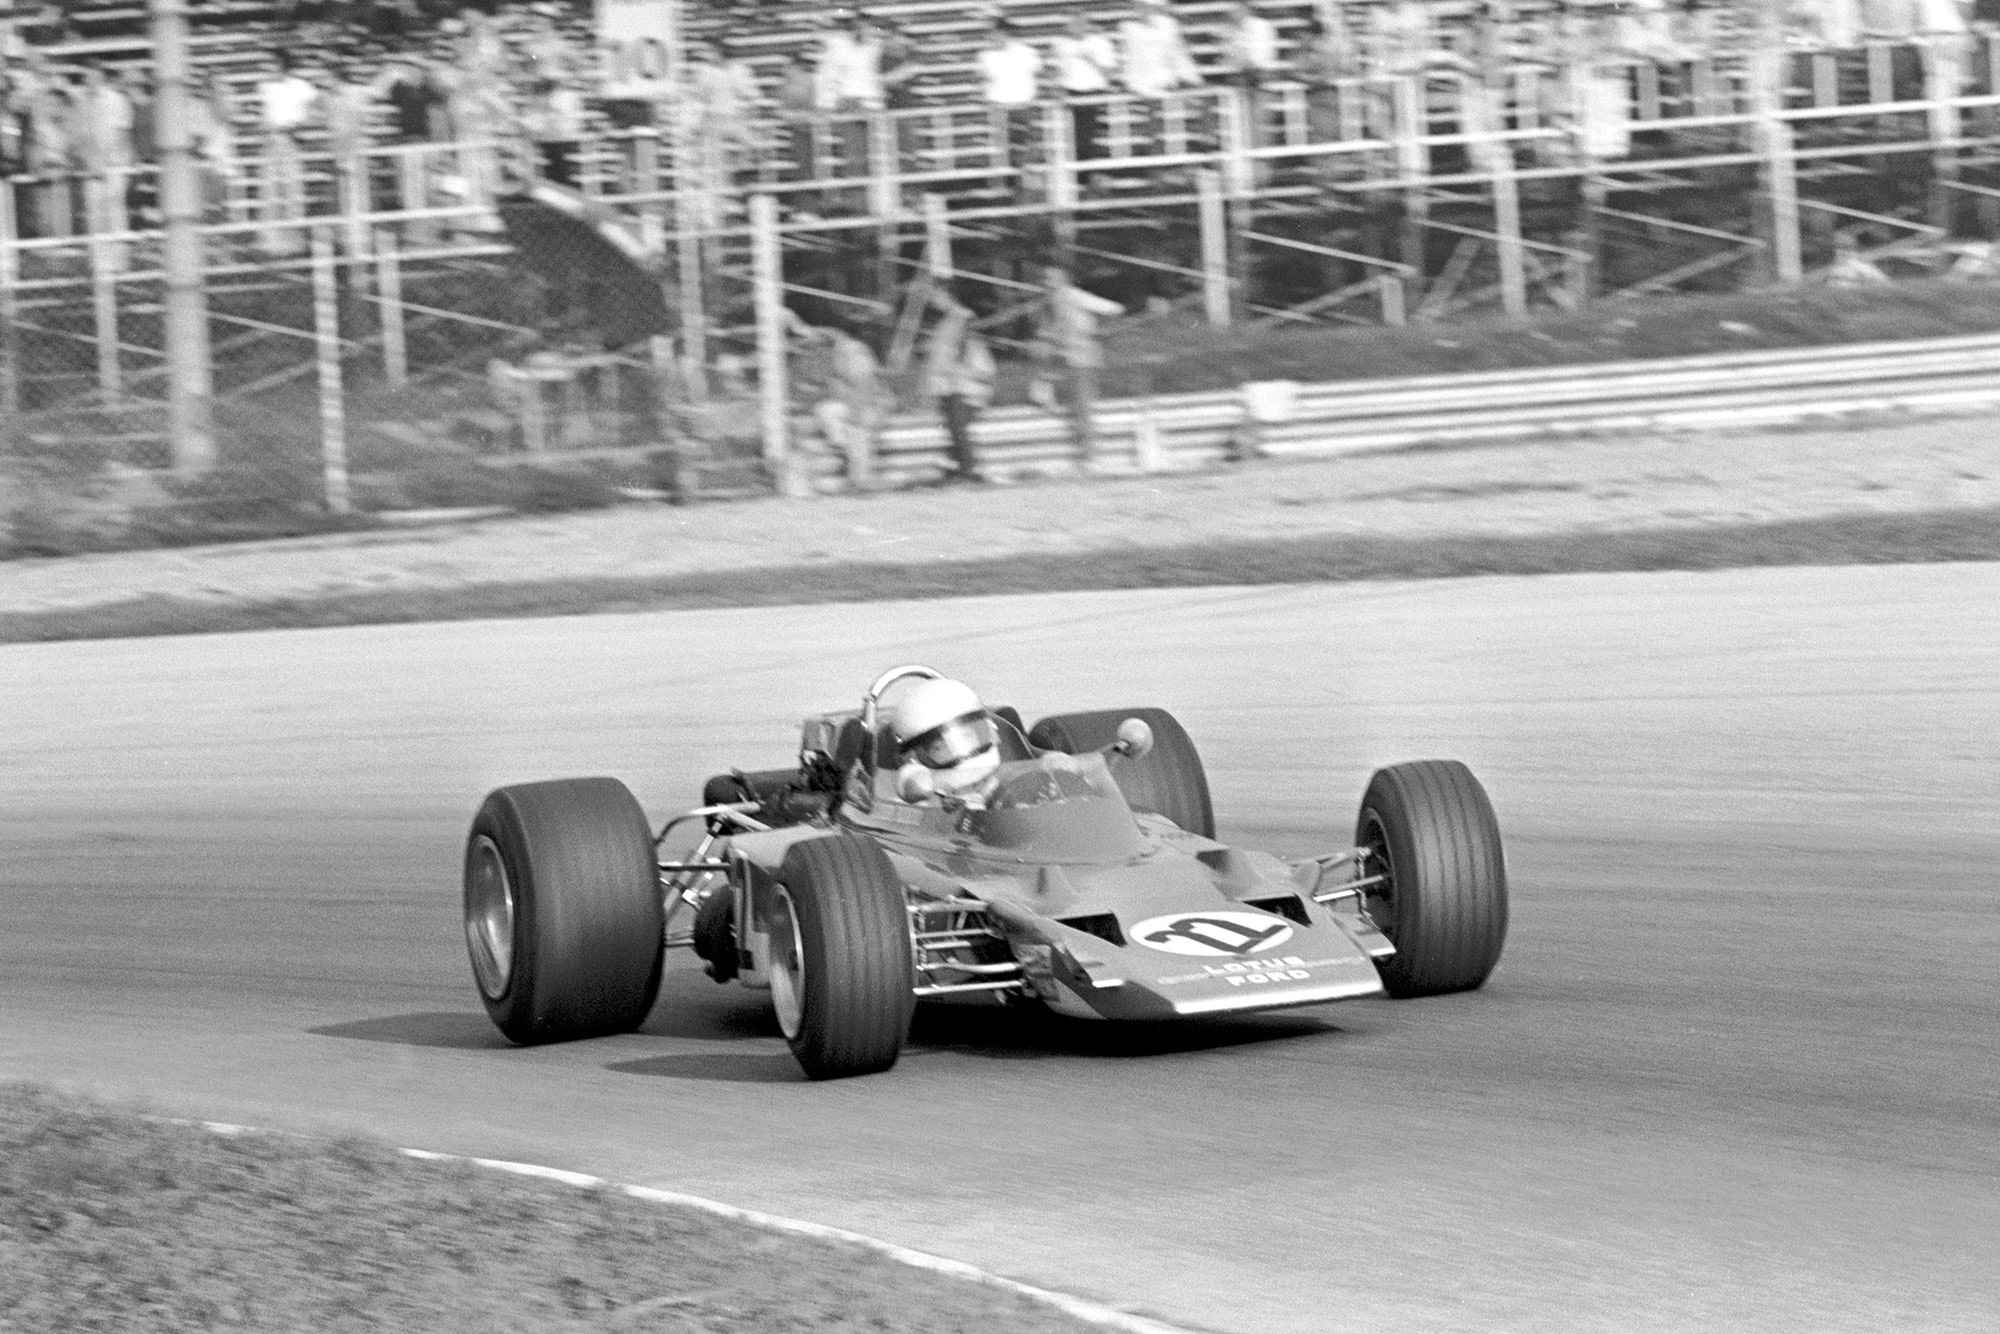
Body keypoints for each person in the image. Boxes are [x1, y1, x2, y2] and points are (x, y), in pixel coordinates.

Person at [1038, 265, 1125, 470]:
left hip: (1082, 360)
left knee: (1082, 407)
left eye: (1050, 278)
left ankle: (1090, 458)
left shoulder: (1074, 296)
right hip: (1066, 359)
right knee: (1047, 392)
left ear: (1063, 280)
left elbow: (1113, 309)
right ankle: (1084, 453)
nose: (1045, 282)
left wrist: (1102, 331)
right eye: (1044, 278)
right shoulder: (1052, 301)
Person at [922, 288, 996, 481]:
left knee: (957, 428)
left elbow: (965, 345)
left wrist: (958, 368)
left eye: (935, 296)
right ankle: (960, 468)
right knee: (955, 428)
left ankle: (969, 468)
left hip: (961, 384)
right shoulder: (946, 321)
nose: (932, 302)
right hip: (950, 383)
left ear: (947, 296)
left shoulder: (962, 317)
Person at [891, 677, 1002, 802]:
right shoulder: (923, 800)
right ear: (915, 759)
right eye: (939, 747)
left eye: (967, 735)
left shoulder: (1007, 781)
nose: (961, 747)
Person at [257, 51, 319, 255]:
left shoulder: (301, 86)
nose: (269, 69)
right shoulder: (266, 87)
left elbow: (316, 107)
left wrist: (301, 125)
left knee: (293, 191)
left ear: (281, 64)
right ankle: (272, 243)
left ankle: (295, 242)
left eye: (272, 64)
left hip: (291, 140)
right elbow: (264, 116)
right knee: (271, 191)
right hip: (272, 140)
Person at [1051, 12, 1118, 160]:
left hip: (1094, 93)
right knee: (1074, 138)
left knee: (1092, 137)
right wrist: (1057, 90)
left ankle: (1093, 173)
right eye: (1074, 23)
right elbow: (1057, 72)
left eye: (1081, 23)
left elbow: (1110, 74)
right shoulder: (1062, 45)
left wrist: (1091, 59)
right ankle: (1081, 174)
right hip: (1071, 93)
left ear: (1088, 24)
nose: (1078, 27)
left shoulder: (1101, 43)